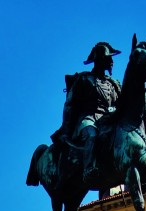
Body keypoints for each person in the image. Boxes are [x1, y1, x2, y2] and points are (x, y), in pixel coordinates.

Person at [52, 41, 122, 183]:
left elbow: (121, 104)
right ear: (100, 60)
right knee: (92, 135)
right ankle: (89, 168)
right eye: (108, 58)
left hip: (108, 119)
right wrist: (65, 131)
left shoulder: (114, 83)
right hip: (88, 118)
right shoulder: (84, 79)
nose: (111, 61)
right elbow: (70, 105)